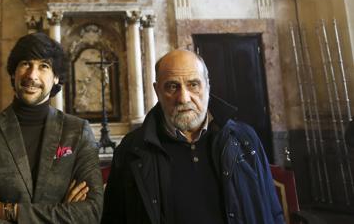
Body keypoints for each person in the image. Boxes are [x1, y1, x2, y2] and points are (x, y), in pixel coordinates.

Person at [101, 49, 284, 224]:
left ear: (207, 85)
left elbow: (271, 212)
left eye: (193, 85)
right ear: (157, 91)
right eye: (172, 86)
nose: (184, 98)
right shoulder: (132, 150)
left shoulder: (244, 139)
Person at [0, 32, 103, 223]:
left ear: (57, 77)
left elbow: (91, 212)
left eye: (43, 66)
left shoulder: (77, 131)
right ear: (13, 72)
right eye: (25, 64)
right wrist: (63, 213)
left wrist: (10, 211)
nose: (32, 75)